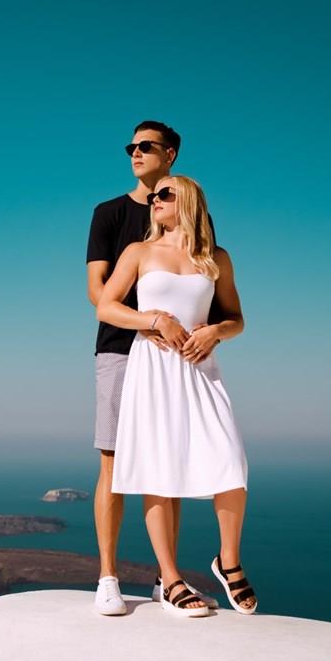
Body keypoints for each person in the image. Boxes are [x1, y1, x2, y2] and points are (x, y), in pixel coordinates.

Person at [96, 175, 257, 618]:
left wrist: (216, 331)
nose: (155, 200)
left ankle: (228, 561)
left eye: (165, 193)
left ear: (188, 199)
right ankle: (169, 580)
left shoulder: (216, 258)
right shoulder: (139, 252)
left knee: (230, 462)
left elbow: (237, 318)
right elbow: (106, 305)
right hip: (154, 367)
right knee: (159, 472)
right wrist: (153, 320)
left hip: (200, 368)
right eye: (153, 195)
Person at [85, 121, 219, 615]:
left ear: (171, 154)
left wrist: (211, 332)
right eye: (131, 147)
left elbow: (207, 287)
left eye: (146, 146)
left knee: (169, 462)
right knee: (113, 460)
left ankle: (167, 578)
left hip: (175, 359)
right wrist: (151, 322)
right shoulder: (109, 214)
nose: (135, 153)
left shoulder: (190, 215)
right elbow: (98, 293)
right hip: (121, 350)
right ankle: (108, 578)